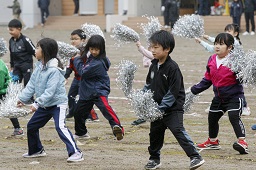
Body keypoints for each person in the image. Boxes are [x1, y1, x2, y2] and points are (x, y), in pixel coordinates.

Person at [143, 30, 205, 170]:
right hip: (156, 109)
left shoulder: (173, 68)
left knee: (178, 131)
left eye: (156, 47)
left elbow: (173, 92)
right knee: (154, 134)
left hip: (172, 109)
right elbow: (148, 84)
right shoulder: (153, 65)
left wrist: (162, 107)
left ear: (167, 49)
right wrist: (142, 97)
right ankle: (154, 158)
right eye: (151, 47)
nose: (152, 50)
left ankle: (195, 156)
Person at [17, 38, 84, 162]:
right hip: (45, 105)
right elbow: (31, 85)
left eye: (37, 48)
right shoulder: (39, 67)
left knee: (60, 127)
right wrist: (22, 99)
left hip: (58, 104)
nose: (35, 50)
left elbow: (50, 91)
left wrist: (37, 103)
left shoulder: (54, 70)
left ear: (45, 51)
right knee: (32, 126)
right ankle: (36, 150)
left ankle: (75, 152)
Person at [192, 33, 248, 154]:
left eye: (221, 44)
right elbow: (207, 79)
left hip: (234, 97)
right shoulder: (212, 59)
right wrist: (193, 90)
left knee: (233, 116)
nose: (217, 46)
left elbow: (243, 79)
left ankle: (242, 142)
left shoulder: (235, 61)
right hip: (219, 97)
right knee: (212, 117)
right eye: (216, 43)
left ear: (230, 47)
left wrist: (246, 72)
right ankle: (213, 141)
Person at [73, 35, 124, 141]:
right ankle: (81, 132)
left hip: (98, 90)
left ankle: (118, 127)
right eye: (91, 49)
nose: (94, 52)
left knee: (106, 109)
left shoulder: (97, 63)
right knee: (78, 113)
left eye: (97, 49)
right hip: (87, 91)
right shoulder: (92, 56)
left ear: (102, 49)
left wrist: (76, 59)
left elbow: (82, 71)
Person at [195, 23, 251, 116]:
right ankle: (216, 105)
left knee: (236, 88)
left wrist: (207, 38)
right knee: (220, 83)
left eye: (229, 31)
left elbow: (217, 43)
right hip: (225, 70)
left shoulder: (235, 43)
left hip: (235, 70)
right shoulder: (222, 47)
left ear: (236, 33)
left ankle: (244, 106)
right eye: (225, 31)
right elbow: (214, 45)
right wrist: (202, 40)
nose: (226, 33)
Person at [65, 29, 99, 122]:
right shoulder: (71, 51)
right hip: (77, 78)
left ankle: (93, 116)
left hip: (86, 79)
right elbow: (69, 66)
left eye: (76, 39)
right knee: (70, 96)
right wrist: (66, 76)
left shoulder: (88, 52)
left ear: (83, 40)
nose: (73, 41)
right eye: (71, 39)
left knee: (84, 98)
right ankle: (72, 112)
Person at [8, 19, 35, 103]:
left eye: (12, 30)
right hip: (16, 65)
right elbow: (11, 54)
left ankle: (30, 99)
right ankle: (16, 98)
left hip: (26, 65)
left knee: (28, 83)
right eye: (9, 30)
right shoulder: (11, 41)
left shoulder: (25, 40)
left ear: (19, 29)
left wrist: (42, 61)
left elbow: (34, 51)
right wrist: (12, 65)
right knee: (15, 83)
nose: (10, 32)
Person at [0, 52, 23, 136]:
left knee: (9, 110)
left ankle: (18, 128)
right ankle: (18, 128)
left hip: (3, 91)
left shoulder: (0, 68)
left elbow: (1, 84)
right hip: (2, 89)